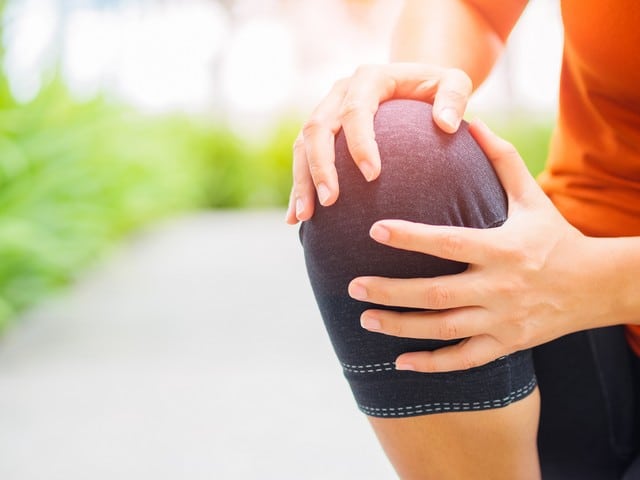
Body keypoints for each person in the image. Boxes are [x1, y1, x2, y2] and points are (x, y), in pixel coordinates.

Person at [287, 1, 640, 479]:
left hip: (593, 285)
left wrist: (602, 283)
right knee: (391, 158)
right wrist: (420, 92)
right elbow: (474, 8)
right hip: (576, 311)